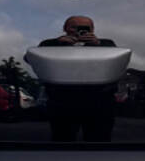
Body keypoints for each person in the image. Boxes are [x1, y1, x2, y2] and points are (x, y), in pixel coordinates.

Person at [38, 14, 119, 144]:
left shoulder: (106, 44)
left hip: (99, 102)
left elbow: (117, 62)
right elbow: (31, 59)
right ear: (65, 28)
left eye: (85, 28)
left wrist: (97, 45)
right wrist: (58, 45)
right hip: (62, 102)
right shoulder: (49, 44)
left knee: (99, 142)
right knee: (62, 141)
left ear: (93, 29)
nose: (78, 31)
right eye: (74, 27)